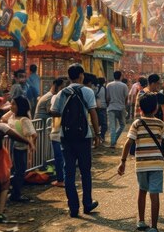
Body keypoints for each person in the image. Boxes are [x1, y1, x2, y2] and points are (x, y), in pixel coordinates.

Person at [118, 93, 164, 232]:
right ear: (156, 108)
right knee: (154, 194)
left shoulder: (137, 123)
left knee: (142, 191)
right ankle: (154, 226)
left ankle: (141, 222)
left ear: (141, 109)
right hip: (156, 164)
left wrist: (123, 162)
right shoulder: (161, 124)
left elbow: (128, 143)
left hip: (141, 165)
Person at [51, 64, 100, 218]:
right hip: (83, 137)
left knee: (69, 173)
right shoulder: (87, 91)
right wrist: (97, 134)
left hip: (66, 137)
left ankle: (73, 207)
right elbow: (93, 113)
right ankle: (87, 204)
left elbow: (55, 112)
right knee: (85, 172)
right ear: (81, 75)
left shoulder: (62, 93)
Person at [1, 96, 37, 203]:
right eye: (11, 104)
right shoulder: (16, 117)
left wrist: (31, 146)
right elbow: (3, 119)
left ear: (20, 106)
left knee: (18, 171)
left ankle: (14, 193)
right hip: (16, 148)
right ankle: (15, 194)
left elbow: (34, 135)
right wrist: (11, 110)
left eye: (14, 104)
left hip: (16, 148)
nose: (11, 106)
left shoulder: (22, 119)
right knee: (19, 171)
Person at [106, 71, 128, 148]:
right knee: (122, 125)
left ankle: (113, 142)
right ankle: (114, 141)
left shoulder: (109, 85)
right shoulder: (124, 85)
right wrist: (124, 105)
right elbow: (126, 97)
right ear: (121, 76)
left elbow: (107, 98)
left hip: (111, 107)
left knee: (112, 126)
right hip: (121, 108)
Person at [94, 77, 108, 143]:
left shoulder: (102, 88)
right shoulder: (98, 88)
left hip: (100, 107)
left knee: (100, 123)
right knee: (103, 124)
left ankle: (100, 137)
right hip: (100, 108)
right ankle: (100, 137)